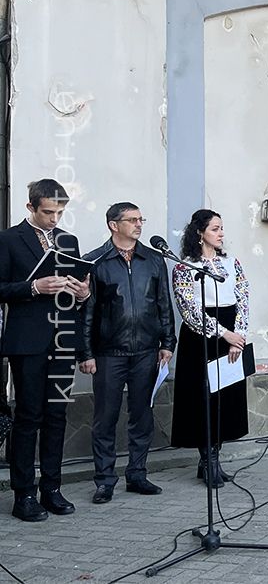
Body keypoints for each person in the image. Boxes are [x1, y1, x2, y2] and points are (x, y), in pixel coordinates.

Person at [0, 180, 91, 522]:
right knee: (28, 418)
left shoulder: (69, 241)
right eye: (48, 212)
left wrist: (82, 293)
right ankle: (23, 494)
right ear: (31, 208)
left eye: (60, 212)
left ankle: (51, 488)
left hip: (62, 341)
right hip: (27, 341)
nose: (55, 219)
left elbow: (79, 291)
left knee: (56, 417)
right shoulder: (9, 239)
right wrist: (34, 287)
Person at [80, 203, 176, 503]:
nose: (138, 225)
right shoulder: (95, 261)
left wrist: (167, 343)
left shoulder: (153, 260)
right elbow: (86, 312)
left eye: (140, 219)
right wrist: (86, 353)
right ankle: (105, 481)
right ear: (113, 225)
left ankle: (137, 475)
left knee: (142, 416)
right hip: (109, 353)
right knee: (105, 419)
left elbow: (164, 305)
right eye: (132, 220)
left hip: (146, 352)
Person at [170, 210, 251, 489]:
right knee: (203, 398)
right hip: (201, 337)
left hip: (231, 334)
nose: (221, 233)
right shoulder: (186, 267)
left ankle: (214, 458)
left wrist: (238, 335)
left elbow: (243, 297)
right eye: (215, 229)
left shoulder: (231, 263)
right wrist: (224, 333)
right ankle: (207, 460)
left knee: (225, 398)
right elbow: (189, 309)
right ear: (199, 232)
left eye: (222, 228)